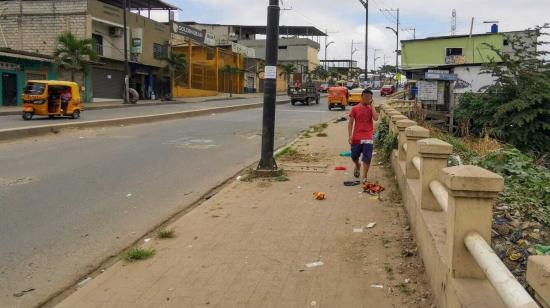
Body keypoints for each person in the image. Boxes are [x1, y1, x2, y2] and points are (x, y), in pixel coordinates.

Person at [348, 88, 379, 182]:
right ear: (362, 97)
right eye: (366, 97)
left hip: (368, 136)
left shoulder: (371, 108)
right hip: (357, 136)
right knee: (354, 156)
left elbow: (376, 118)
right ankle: (357, 165)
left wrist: (372, 105)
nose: (367, 99)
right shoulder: (355, 108)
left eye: (370, 97)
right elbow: (350, 123)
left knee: (367, 156)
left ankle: (365, 176)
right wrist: (350, 136)